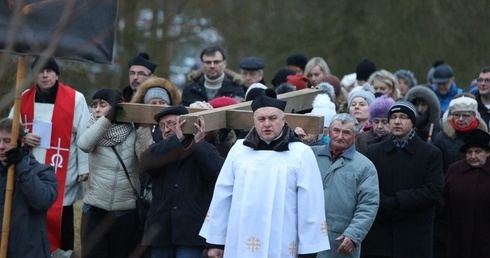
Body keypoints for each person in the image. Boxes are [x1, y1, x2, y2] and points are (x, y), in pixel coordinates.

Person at [200, 94, 330, 257]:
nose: (267, 124)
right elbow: (223, 195)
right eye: (261, 119)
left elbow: (310, 203)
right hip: (240, 239)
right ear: (254, 121)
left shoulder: (300, 153)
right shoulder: (239, 150)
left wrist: (308, 250)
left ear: (283, 120)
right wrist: (215, 242)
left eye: (272, 118)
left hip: (283, 240)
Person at [11, 56, 90, 252]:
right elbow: (8, 128)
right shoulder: (23, 98)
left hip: (62, 167)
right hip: (30, 167)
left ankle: (62, 253)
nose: (45, 75)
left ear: (57, 74)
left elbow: (85, 134)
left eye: (49, 71)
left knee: (61, 216)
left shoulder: (76, 99)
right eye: (40, 71)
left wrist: (84, 166)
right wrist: (24, 136)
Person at [139, 106, 224, 257]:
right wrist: (175, 141)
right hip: (160, 231)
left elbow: (216, 172)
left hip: (191, 231)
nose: (166, 130)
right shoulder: (157, 150)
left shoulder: (203, 148)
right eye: (162, 126)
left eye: (172, 124)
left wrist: (199, 144)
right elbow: (147, 164)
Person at [362, 101, 443, 258]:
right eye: (393, 117)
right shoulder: (374, 152)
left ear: (412, 122)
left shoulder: (431, 153)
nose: (397, 121)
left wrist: (399, 201)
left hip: (414, 233)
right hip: (380, 232)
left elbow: (433, 191)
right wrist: (384, 203)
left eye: (403, 117)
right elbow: (366, 187)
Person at [78, 88, 141, 257]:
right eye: (94, 105)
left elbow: (145, 159)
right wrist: (107, 119)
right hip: (94, 210)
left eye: (102, 104)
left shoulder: (132, 131)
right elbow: (84, 144)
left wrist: (144, 128)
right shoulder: (93, 127)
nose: (96, 109)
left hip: (124, 212)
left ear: (116, 107)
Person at [311, 113, 379, 258]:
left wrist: (354, 234)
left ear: (355, 138)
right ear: (329, 132)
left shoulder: (365, 167)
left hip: (338, 242)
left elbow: (368, 205)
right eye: (336, 131)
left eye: (346, 132)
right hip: (306, 238)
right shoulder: (310, 155)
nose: (340, 136)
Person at [0, 118, 58, 257]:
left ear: (22, 142)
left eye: (7, 141)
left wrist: (20, 165)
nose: (1, 146)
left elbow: (42, 201)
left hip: (28, 251)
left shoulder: (42, 171)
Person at [441, 129, 490, 258]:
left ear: (488, 153)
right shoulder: (454, 170)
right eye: (469, 152)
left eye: (478, 151)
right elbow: (444, 201)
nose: (473, 156)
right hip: (458, 239)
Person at [130, 76, 182, 142]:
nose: (158, 107)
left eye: (162, 103)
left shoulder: (177, 128)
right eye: (153, 103)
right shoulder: (135, 128)